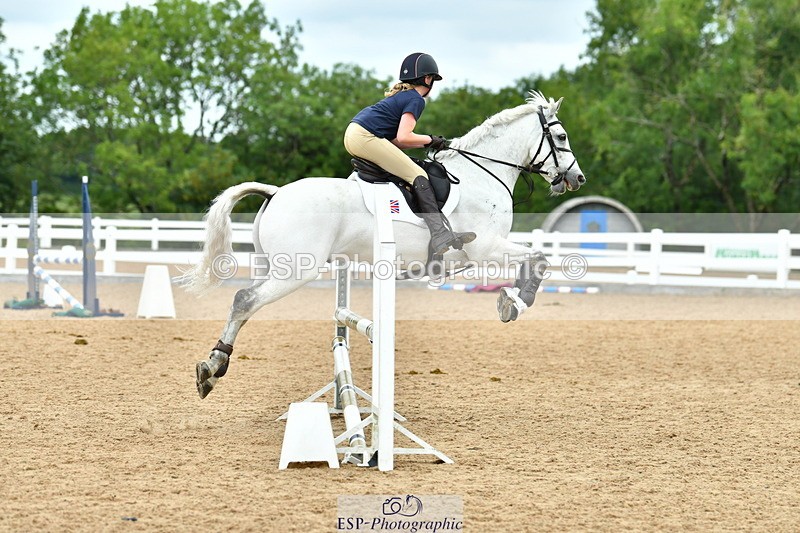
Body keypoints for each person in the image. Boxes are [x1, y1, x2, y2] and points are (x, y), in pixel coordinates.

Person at [343, 52, 476, 255]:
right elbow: (405, 137)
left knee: (406, 169)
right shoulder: (416, 99)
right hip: (365, 137)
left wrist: (426, 143)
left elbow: (396, 141)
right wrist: (431, 140)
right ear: (428, 78)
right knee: (418, 175)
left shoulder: (403, 96)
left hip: (356, 133)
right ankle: (439, 234)